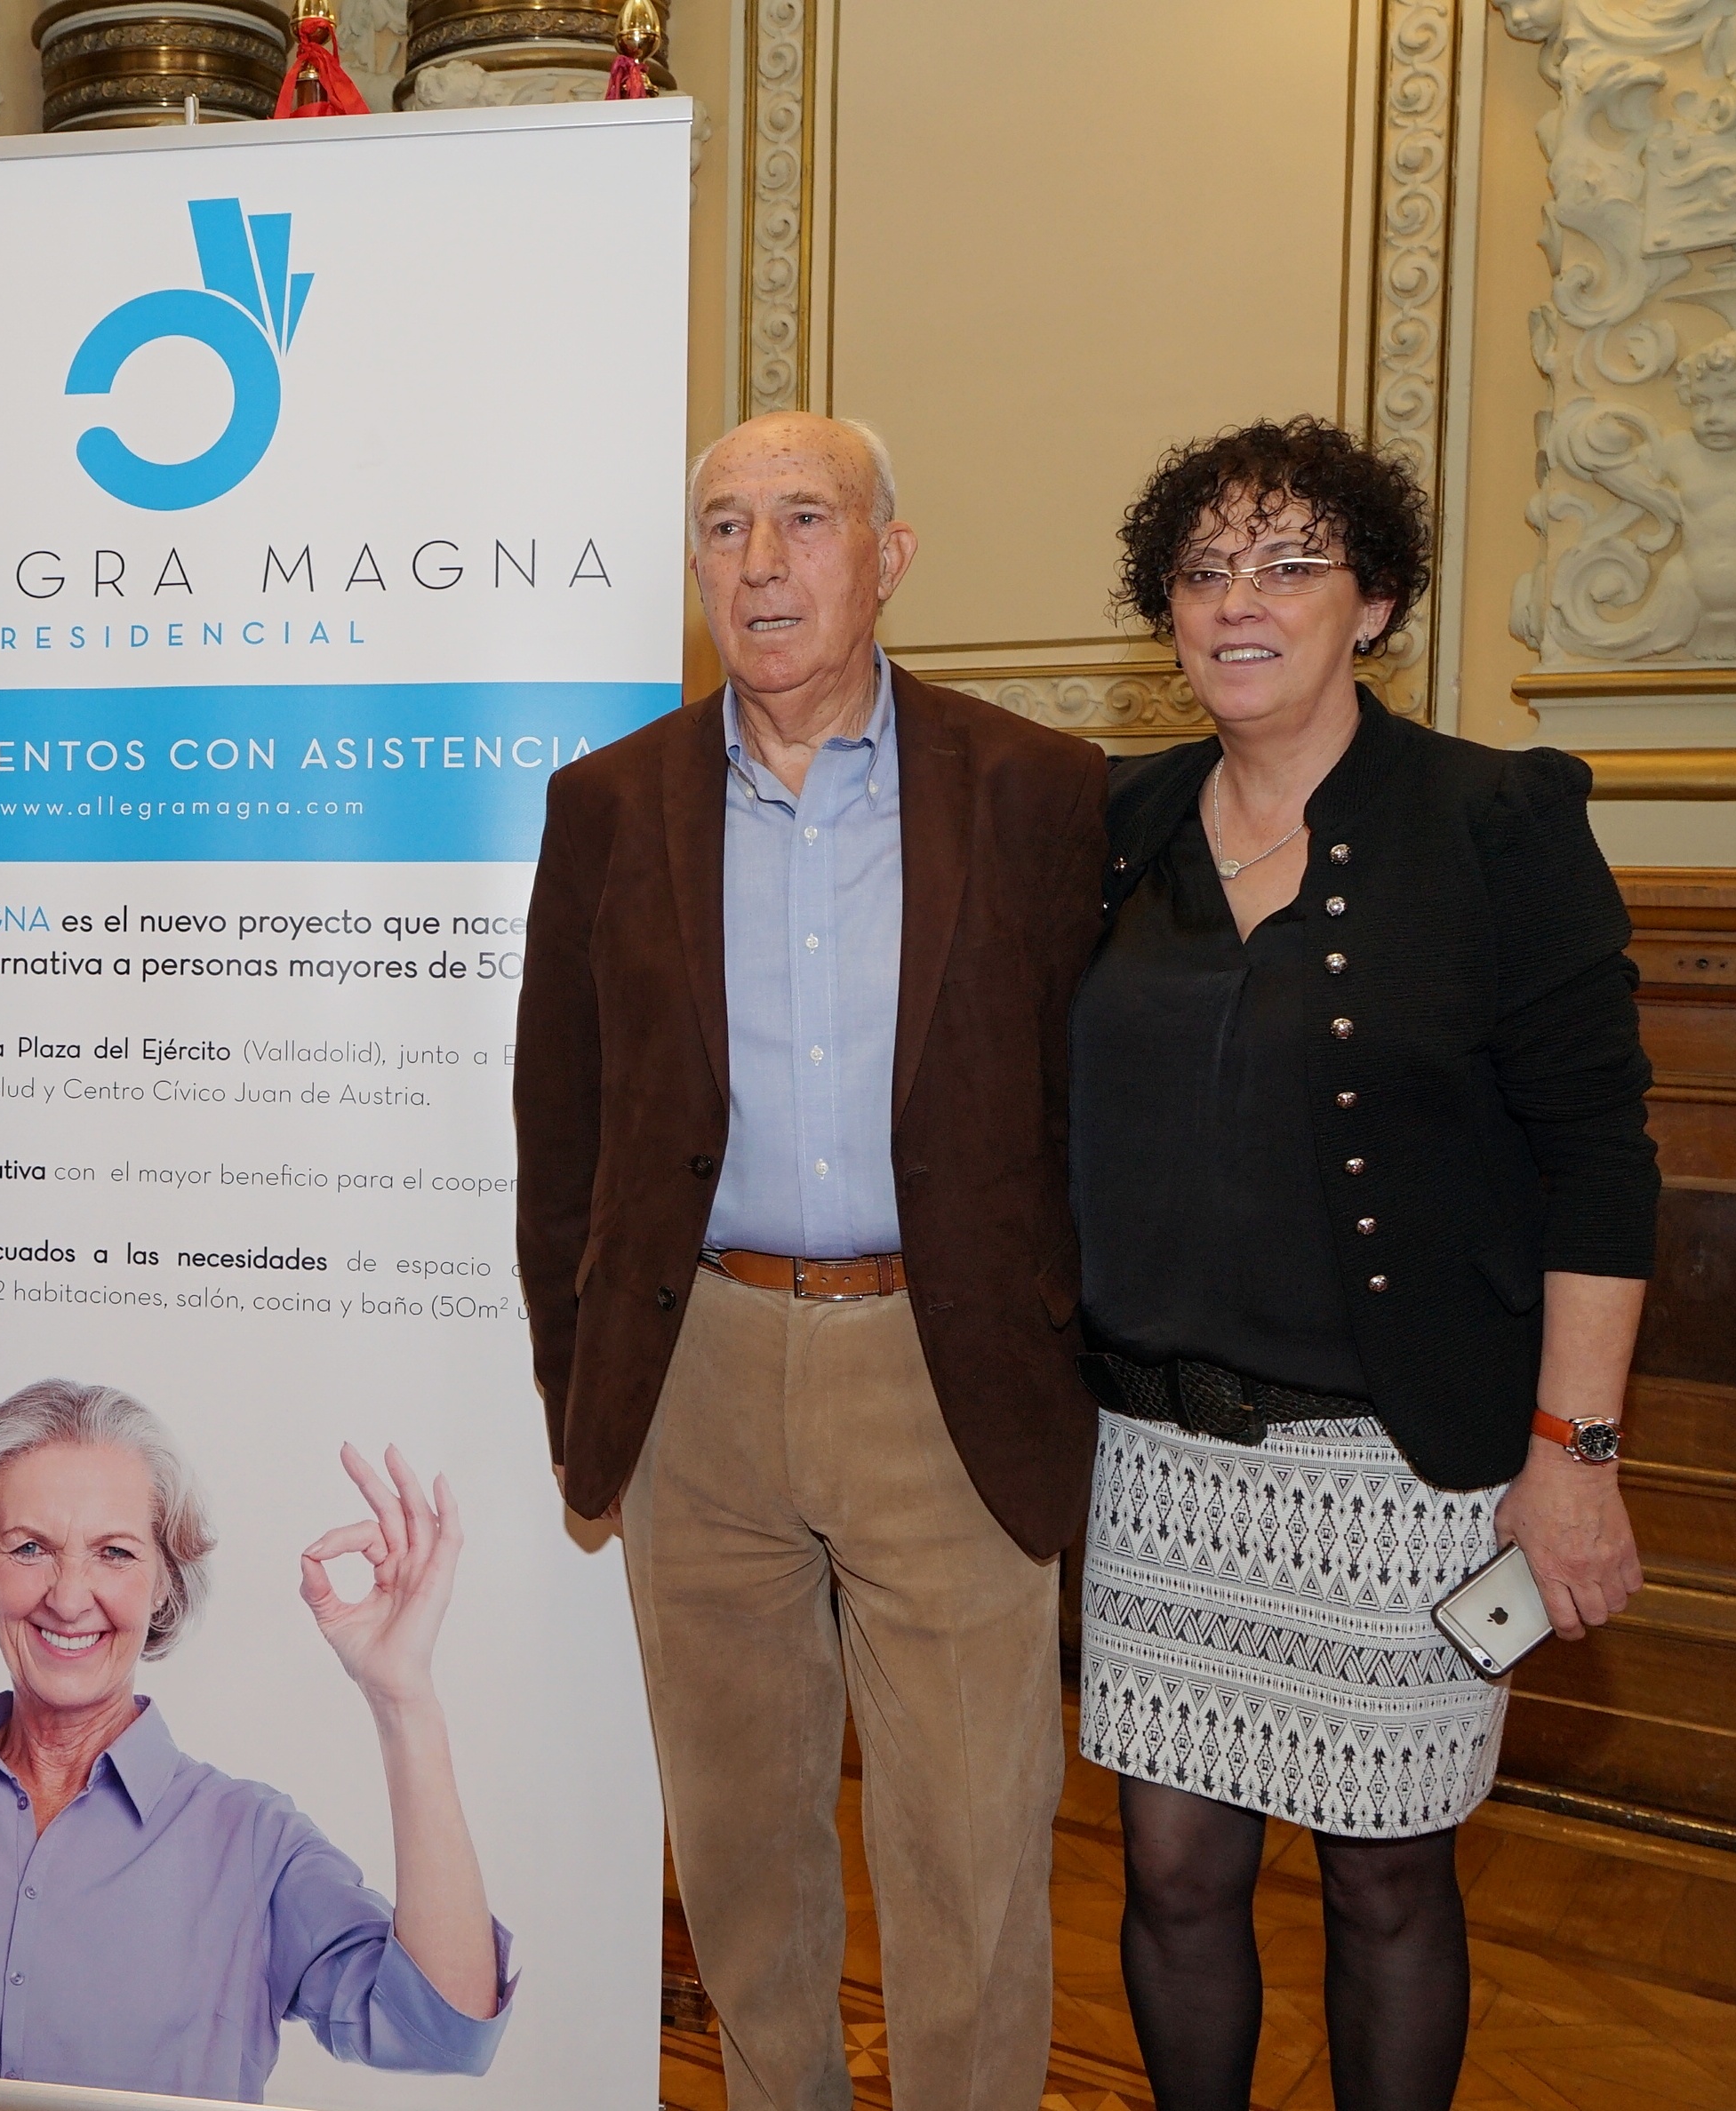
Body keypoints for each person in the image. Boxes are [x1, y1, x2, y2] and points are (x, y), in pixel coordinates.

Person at [515, 412, 1109, 2111]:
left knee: (972, 1855)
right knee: (738, 1847)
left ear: (889, 555)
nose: (760, 563)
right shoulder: (607, 805)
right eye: (724, 525)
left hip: (945, 1372)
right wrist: (586, 1395)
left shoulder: (1040, 792)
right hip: (696, 1373)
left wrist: (1068, 1357)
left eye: (804, 519)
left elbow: (1090, 1106)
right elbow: (562, 1126)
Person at [1073, 417, 1658, 2111]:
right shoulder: (1114, 824)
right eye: (1203, 570)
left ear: (1377, 601)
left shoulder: (1492, 820)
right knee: (1171, 1879)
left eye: (1288, 564)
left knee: (1387, 1879)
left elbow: (1600, 1162)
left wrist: (1575, 1455)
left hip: (1400, 1470)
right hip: (1157, 1462)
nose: (1238, 600)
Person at [0, 1379, 511, 2101]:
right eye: (30, 1547)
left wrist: (403, 1695)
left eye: (115, 1552)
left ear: (166, 1579)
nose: (70, 1597)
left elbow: (444, 2030)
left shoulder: (251, 1840)